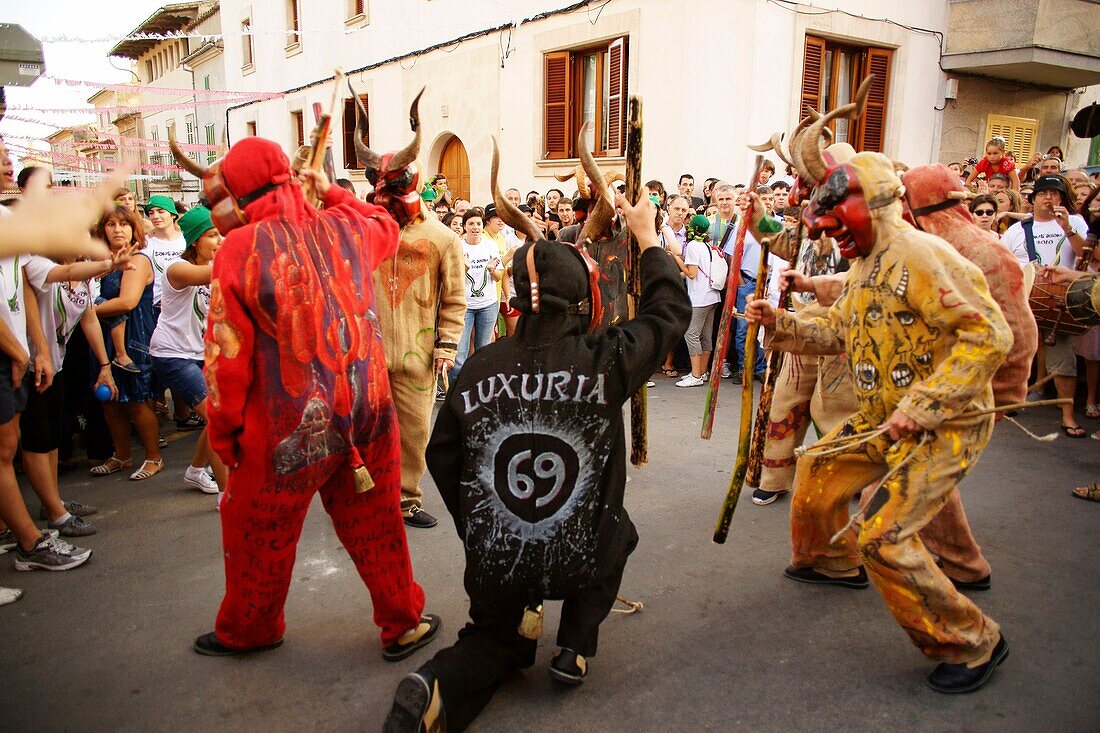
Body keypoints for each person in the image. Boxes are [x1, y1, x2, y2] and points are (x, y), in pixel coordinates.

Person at [384, 187, 690, 733]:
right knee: (616, 532)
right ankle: (573, 645)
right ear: (583, 301)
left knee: (487, 638)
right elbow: (668, 314)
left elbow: (442, 455)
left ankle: (442, 683)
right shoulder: (606, 360)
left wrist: (479, 527)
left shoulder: (478, 368)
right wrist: (646, 238)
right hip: (579, 556)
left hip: (497, 559)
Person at [747, 145, 1012, 694]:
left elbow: (989, 334)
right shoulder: (865, 266)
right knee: (817, 466)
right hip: (879, 417)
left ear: (880, 200)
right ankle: (830, 560)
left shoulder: (922, 256)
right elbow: (838, 332)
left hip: (944, 426)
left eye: (837, 216)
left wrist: (925, 406)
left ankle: (972, 639)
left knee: (884, 535)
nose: (827, 233)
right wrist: (784, 322)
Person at [183, 135, 440, 659]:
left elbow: (224, 354)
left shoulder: (240, 247)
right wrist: (335, 194)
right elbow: (387, 227)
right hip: (367, 415)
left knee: (257, 533)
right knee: (378, 522)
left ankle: (250, 629)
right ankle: (403, 621)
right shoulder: (346, 226)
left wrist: (225, 433)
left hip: (286, 432)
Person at [361, 118, 467, 530]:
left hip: (418, 357)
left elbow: (455, 298)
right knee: (369, 430)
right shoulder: (363, 232)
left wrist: (446, 346)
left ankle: (406, 499)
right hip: (366, 355)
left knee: (415, 432)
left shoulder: (443, 238)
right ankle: (370, 496)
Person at [19, 173, 129, 537]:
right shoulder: (35, 264)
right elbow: (63, 271)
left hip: (58, 363)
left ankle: (54, 500)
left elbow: (88, 319)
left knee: (50, 438)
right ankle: (54, 513)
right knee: (41, 441)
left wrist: (104, 366)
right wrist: (107, 265)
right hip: (37, 364)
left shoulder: (81, 274)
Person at [1001, 175, 1090, 436]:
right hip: (1023, 299)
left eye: (1054, 192)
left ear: (1062, 198)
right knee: (1011, 353)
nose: (1048, 197)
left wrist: (1067, 229)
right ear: (1033, 198)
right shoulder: (1017, 230)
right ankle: (1006, 402)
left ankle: (1067, 415)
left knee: (1063, 359)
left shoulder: (1075, 222)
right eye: (1043, 193)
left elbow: (1087, 255)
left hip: (1060, 300)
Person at [149, 206, 224, 497]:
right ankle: (226, 497)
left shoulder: (213, 262)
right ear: (195, 241)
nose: (219, 241)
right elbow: (213, 273)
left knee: (221, 415)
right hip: (173, 353)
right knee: (218, 419)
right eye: (213, 235)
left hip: (201, 353)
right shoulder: (176, 269)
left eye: (221, 234)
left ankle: (195, 470)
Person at [91, 206, 164, 480]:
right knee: (110, 400)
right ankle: (121, 456)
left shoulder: (139, 259)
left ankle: (153, 457)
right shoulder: (103, 261)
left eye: (124, 224)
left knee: (136, 400)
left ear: (134, 228)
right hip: (104, 337)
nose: (118, 229)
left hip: (135, 338)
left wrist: (86, 310)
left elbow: (128, 302)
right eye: (111, 224)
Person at [669, 214, 723, 387]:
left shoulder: (693, 245)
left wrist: (676, 257)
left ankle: (696, 375)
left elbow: (691, 273)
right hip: (712, 296)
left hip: (699, 298)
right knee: (706, 336)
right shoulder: (707, 245)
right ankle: (702, 372)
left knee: (691, 334)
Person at [450, 209, 502, 381]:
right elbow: (451, 278)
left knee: (483, 350)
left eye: (478, 223)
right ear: (464, 227)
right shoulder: (457, 246)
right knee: (460, 353)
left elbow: (499, 276)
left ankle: (481, 387)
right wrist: (463, 267)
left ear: (483, 226)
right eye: (471, 224)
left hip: (488, 305)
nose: (475, 227)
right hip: (465, 306)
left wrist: (493, 270)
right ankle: (455, 391)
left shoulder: (490, 246)